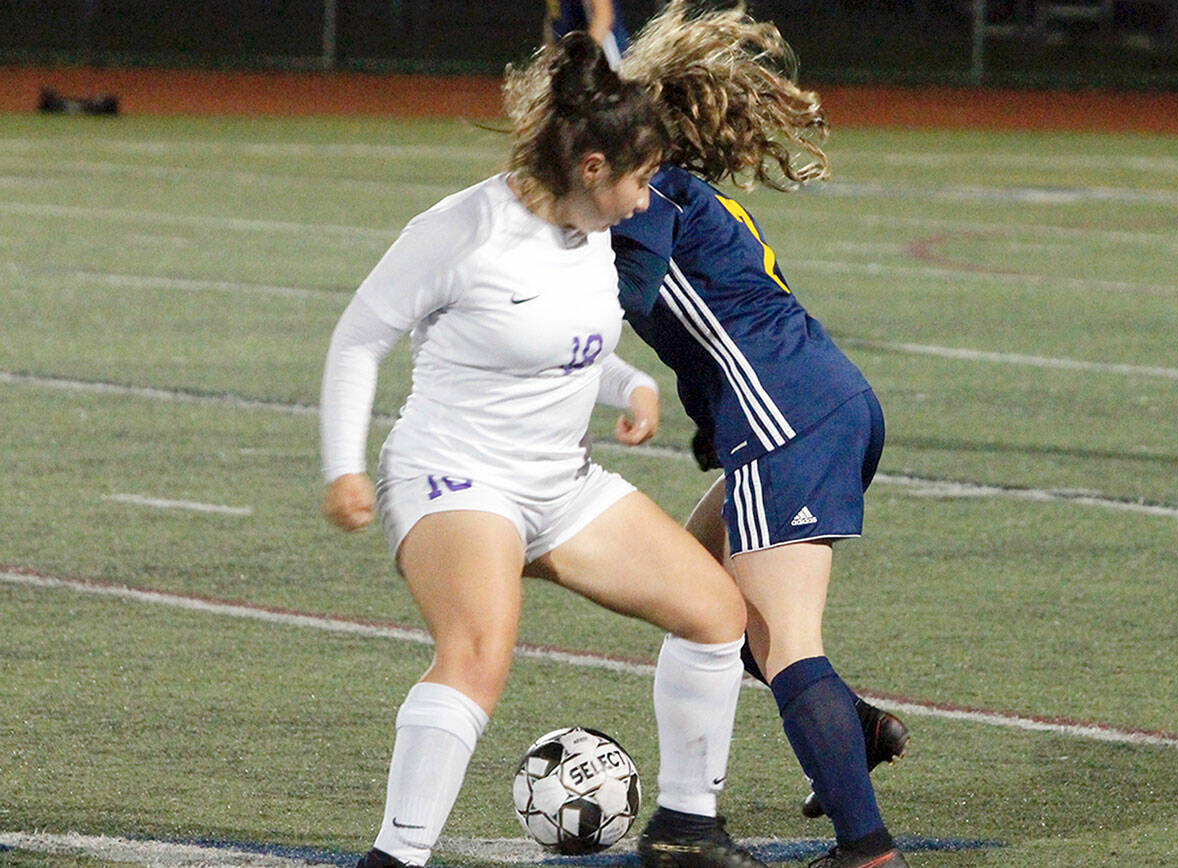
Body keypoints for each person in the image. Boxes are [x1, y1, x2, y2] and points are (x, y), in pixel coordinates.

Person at [320, 34, 765, 868]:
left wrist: (628, 383)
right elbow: (358, 341)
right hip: (458, 476)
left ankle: (686, 832)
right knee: (478, 655)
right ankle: (394, 858)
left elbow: (556, 340)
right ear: (592, 167)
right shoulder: (463, 229)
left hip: (561, 486)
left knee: (716, 614)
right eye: (639, 178)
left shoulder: (589, 224)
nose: (645, 200)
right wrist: (342, 464)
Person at [611, 4, 912, 867]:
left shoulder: (652, 185)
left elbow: (630, 297)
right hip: (821, 404)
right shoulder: (689, 191)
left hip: (788, 421)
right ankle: (855, 728)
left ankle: (867, 850)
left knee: (783, 642)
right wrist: (711, 423)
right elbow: (710, 324)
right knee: (698, 592)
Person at [543, 0, 629, 69]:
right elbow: (554, 17)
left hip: (605, 62)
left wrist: (581, 62)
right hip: (573, 63)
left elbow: (604, 17)